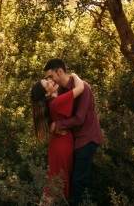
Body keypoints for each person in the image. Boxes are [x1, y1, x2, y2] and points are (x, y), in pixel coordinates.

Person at [44, 58, 104, 205]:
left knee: (78, 180)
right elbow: (52, 108)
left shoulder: (83, 88)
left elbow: (79, 119)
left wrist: (57, 125)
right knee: (71, 180)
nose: (51, 80)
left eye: (51, 76)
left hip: (87, 138)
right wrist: (50, 125)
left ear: (60, 72)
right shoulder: (62, 90)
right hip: (74, 140)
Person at [31, 72, 85, 204]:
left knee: (55, 184)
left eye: (48, 80)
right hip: (62, 146)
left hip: (59, 144)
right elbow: (81, 88)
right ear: (47, 94)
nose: (51, 81)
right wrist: (74, 75)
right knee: (54, 186)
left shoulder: (54, 101)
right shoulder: (58, 101)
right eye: (47, 84)